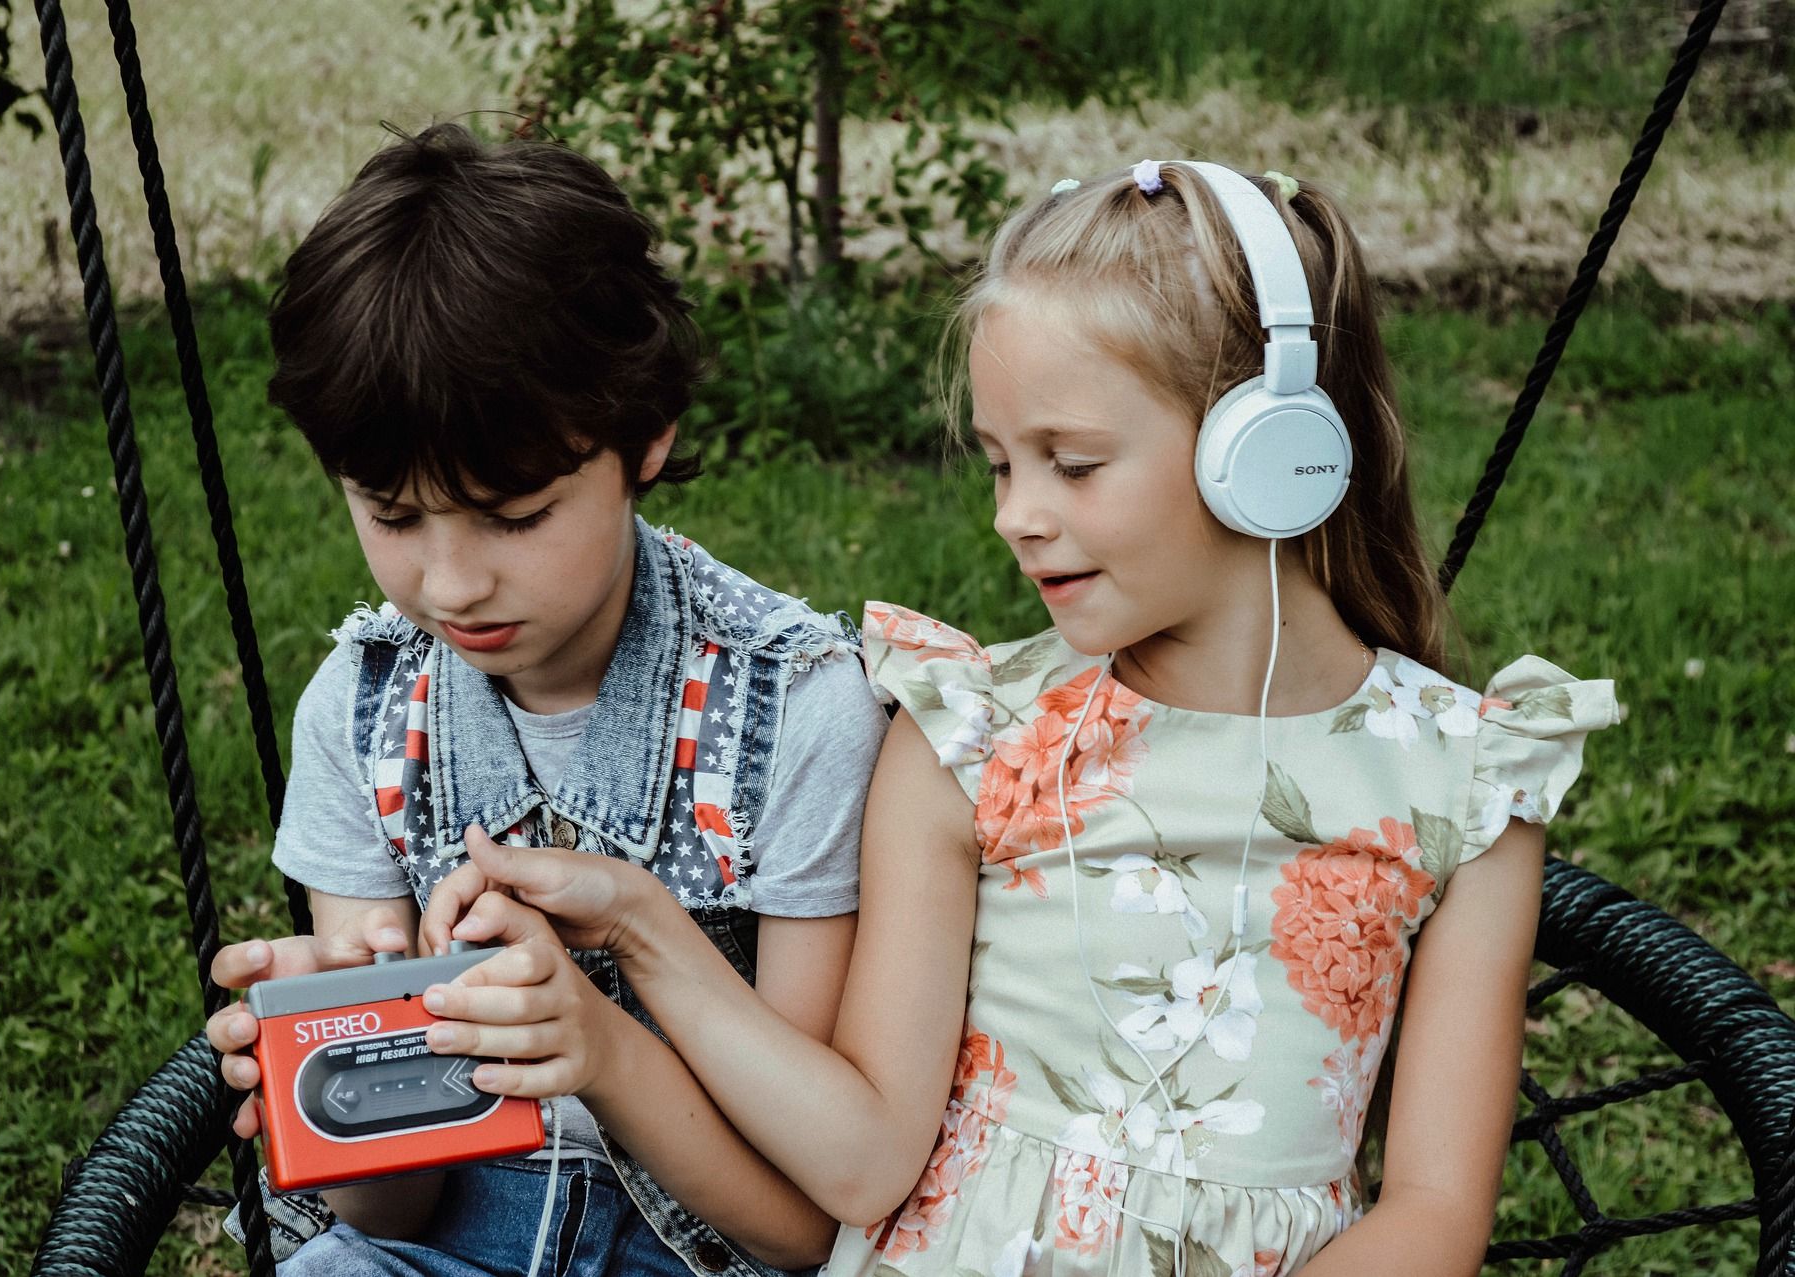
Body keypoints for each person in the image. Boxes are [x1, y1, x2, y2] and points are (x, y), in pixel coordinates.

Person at [423, 160, 1619, 1276]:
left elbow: (1434, 1211)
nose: (1017, 515)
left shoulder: (1464, 782)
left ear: (1270, 454)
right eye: (1002, 464)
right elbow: (865, 1159)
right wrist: (639, 923)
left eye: (1073, 463)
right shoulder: (971, 735)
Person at [202, 121, 886, 1277]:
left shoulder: (798, 713)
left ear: (646, 435)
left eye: (515, 515)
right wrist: (333, 1075)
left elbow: (806, 1222)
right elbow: (389, 1215)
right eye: (392, 513)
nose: (453, 582)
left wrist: (605, 1049)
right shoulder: (362, 715)